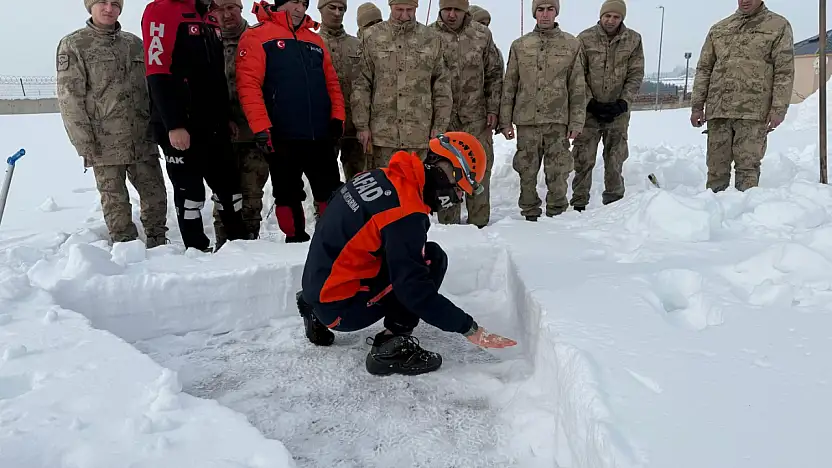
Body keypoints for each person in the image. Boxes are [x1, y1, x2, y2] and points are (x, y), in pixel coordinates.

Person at [297, 132, 518, 376]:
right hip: (340, 309)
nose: (457, 198)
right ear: (446, 171)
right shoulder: (405, 214)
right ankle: (391, 346)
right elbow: (414, 290)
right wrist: (469, 328)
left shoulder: (381, 176)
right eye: (458, 189)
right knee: (432, 259)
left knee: (401, 254)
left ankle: (311, 305)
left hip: (317, 282)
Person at [57, 0, 169, 248]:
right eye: (103, 3)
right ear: (91, 6)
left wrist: (159, 128)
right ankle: (125, 246)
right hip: (104, 141)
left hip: (142, 137)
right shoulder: (75, 45)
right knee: (114, 199)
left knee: (155, 194)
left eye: (115, 4)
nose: (109, 9)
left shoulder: (135, 44)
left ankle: (158, 241)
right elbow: (69, 98)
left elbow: (153, 89)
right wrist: (83, 141)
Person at [141, 0, 249, 252]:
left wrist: (225, 117)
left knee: (230, 191)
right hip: (181, 126)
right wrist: (174, 124)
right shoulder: (161, 9)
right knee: (191, 196)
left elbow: (217, 76)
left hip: (213, 123)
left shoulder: (210, 16)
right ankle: (196, 252)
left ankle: (239, 246)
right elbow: (157, 72)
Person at [236, 0, 346, 243]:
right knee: (287, 193)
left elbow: (332, 83)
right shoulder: (256, 35)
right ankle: (295, 239)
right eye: (294, 2)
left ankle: (332, 239)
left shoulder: (315, 40)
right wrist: (261, 127)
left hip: (319, 132)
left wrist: (338, 117)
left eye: (304, 3)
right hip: (282, 133)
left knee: (330, 190)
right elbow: (248, 86)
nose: (300, 9)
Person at [690, 0, 794, 192]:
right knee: (716, 171)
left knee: (747, 172)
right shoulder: (719, 29)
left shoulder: (778, 26)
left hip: (753, 112)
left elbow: (784, 71)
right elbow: (704, 69)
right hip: (719, 111)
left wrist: (778, 108)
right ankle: (711, 209)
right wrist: (697, 106)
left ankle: (745, 209)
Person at [499, 0, 586, 221]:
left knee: (558, 170)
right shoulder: (520, 45)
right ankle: (529, 213)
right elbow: (510, 85)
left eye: (550, 9)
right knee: (526, 170)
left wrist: (577, 121)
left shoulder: (571, 44)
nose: (545, 14)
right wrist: (505, 121)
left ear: (556, 12)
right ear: (534, 13)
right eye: (540, 9)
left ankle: (557, 213)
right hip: (527, 121)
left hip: (557, 121)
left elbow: (577, 86)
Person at [352, 0, 452, 168]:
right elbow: (361, 85)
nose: (405, 15)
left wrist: (439, 126)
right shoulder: (371, 37)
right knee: (384, 183)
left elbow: (442, 87)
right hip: (382, 138)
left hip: (419, 138)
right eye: (399, 10)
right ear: (390, 6)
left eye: (410, 10)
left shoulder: (432, 39)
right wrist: (362, 126)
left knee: (416, 184)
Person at [431, 0, 503, 228]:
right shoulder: (429, 36)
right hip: (443, 120)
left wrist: (493, 108)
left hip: (476, 118)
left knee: (479, 169)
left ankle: (479, 223)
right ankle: (449, 224)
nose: (451, 14)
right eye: (447, 9)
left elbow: (494, 74)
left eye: (457, 10)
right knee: (445, 171)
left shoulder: (482, 35)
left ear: (465, 11)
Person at [570, 0, 644, 211]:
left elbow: (636, 74)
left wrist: (623, 102)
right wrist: (590, 103)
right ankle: (579, 202)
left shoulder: (633, 40)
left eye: (616, 17)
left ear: (622, 18)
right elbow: (577, 74)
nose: (611, 20)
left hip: (617, 113)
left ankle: (614, 203)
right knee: (583, 159)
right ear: (601, 16)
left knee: (615, 160)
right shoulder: (584, 39)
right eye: (607, 16)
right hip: (589, 113)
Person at [210, 0, 271, 249]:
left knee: (252, 196)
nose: (226, 15)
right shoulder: (208, 41)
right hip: (221, 135)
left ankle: (250, 247)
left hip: (254, 134)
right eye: (220, 10)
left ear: (240, 9)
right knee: (223, 198)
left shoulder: (258, 38)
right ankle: (223, 247)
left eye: (231, 8)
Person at [318, 0, 365, 181]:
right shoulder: (311, 43)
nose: (337, 13)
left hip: (355, 128)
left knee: (359, 181)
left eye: (341, 9)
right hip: (324, 127)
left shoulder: (357, 45)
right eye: (332, 7)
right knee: (325, 181)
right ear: (321, 9)